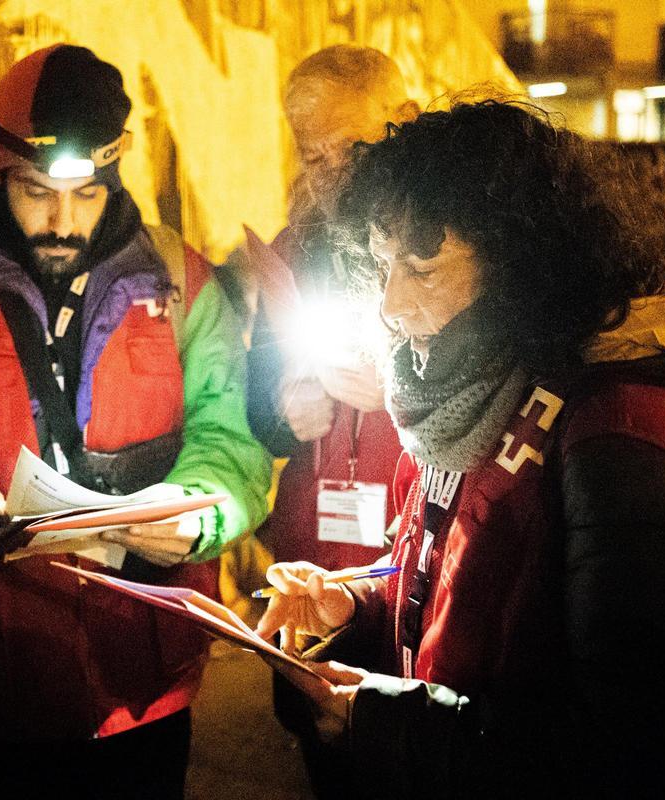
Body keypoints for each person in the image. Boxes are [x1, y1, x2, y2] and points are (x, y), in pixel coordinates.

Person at [256, 99, 665, 798]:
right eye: (382, 264)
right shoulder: (473, 393)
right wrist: (359, 604)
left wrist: (394, 727)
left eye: (423, 269)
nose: (390, 303)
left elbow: (636, 751)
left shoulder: (624, 440)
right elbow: (471, 581)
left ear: (523, 268)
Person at [0, 45, 269, 798]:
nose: (63, 221)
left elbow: (232, 437)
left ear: (115, 171)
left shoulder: (184, 282)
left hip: (145, 682)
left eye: (88, 194)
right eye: (36, 191)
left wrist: (196, 513)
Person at [244, 45, 417, 795]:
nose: (335, 171)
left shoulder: (445, 247)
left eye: (354, 147)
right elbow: (256, 401)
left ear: (404, 123)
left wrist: (402, 394)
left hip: (411, 558)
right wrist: (286, 408)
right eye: (314, 155)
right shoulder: (292, 251)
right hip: (317, 551)